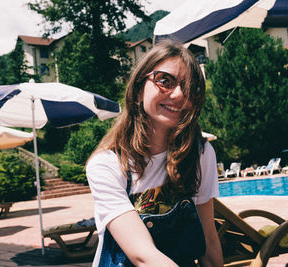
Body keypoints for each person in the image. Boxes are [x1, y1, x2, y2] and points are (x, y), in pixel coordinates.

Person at [86, 40, 223, 267]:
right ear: (139, 90)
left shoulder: (200, 154)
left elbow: (208, 238)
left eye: (189, 88)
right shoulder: (107, 164)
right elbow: (144, 257)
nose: (178, 94)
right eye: (164, 81)